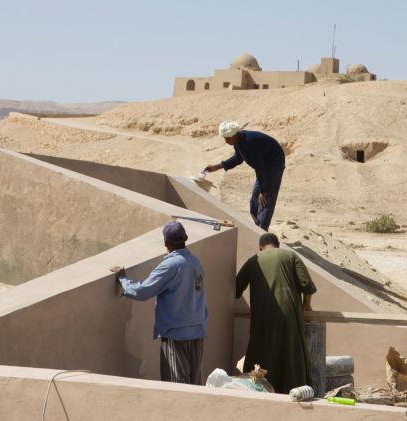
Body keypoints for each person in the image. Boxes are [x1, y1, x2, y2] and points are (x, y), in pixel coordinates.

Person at [110, 221, 208, 385]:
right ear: (185, 239)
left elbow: (141, 292)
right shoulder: (195, 262)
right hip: (197, 333)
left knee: (176, 388)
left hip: (176, 336)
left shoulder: (171, 265)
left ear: (166, 243)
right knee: (194, 388)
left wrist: (122, 278)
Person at [235, 232, 317, 394]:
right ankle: (294, 391)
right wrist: (306, 305)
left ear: (260, 247)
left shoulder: (254, 260)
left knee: (261, 353)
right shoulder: (290, 255)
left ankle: (260, 389)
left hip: (262, 318)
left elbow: (236, 289)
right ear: (278, 245)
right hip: (290, 316)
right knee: (291, 354)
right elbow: (307, 285)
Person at [204, 120, 285, 231]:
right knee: (254, 200)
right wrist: (217, 166)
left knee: (265, 200)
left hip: (273, 165)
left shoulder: (250, 143)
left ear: (234, 135)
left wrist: (263, 190)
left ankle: (261, 232)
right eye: (225, 138)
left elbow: (260, 168)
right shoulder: (238, 141)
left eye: (227, 138)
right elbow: (238, 158)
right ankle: (257, 227)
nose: (226, 141)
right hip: (263, 166)